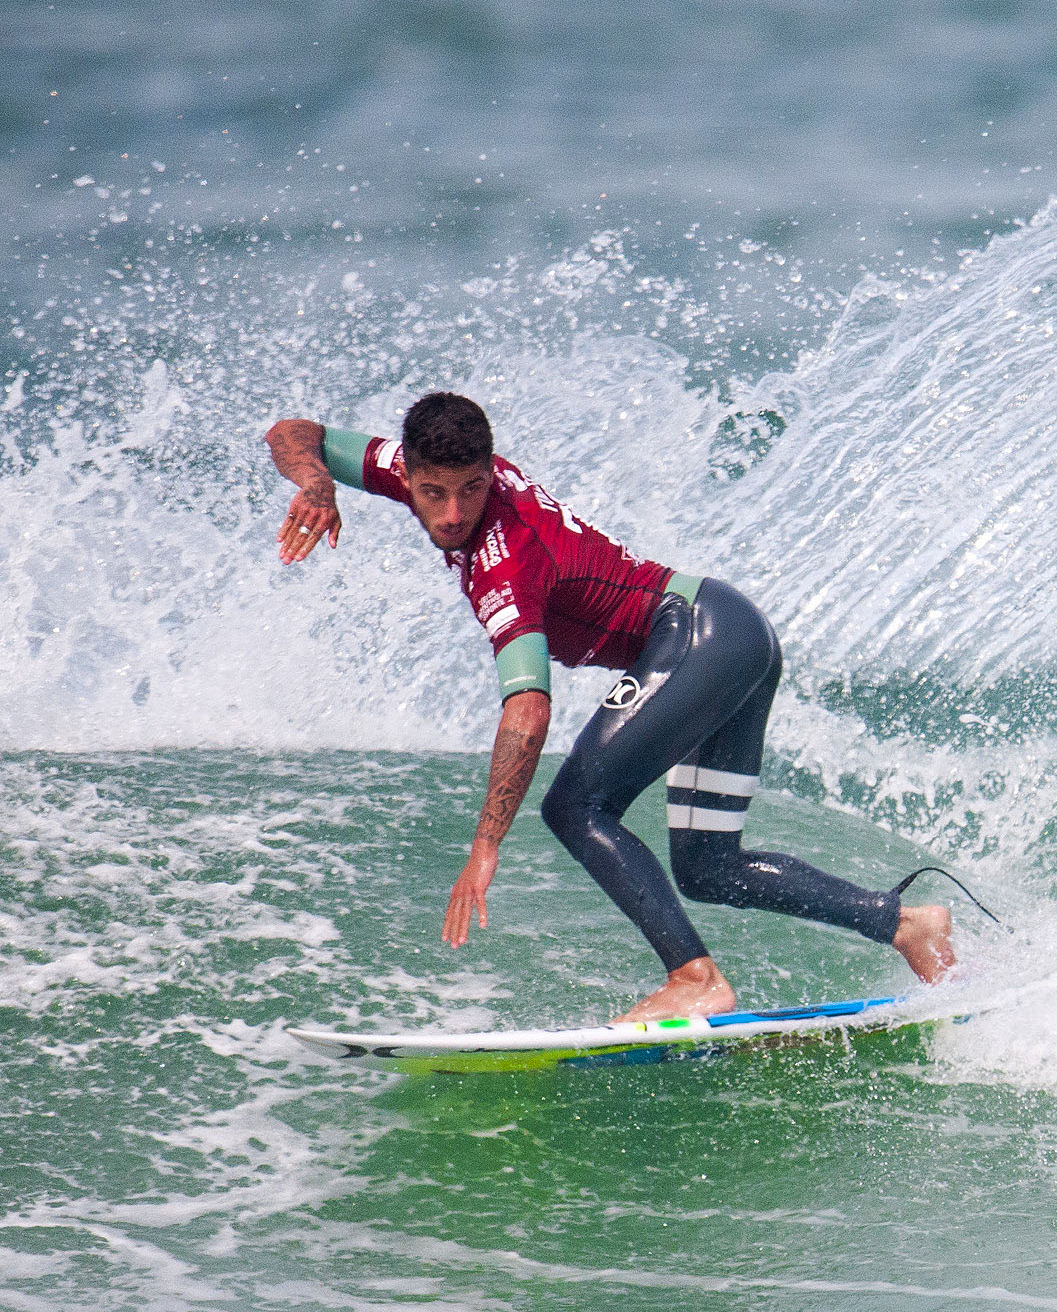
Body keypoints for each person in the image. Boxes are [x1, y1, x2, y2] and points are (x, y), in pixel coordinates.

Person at [265, 391, 953, 1020]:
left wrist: (484, 846)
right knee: (710, 869)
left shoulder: (504, 562)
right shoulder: (409, 469)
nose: (451, 513)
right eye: (432, 492)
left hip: (699, 637)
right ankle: (906, 924)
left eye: (471, 490)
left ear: (487, 474)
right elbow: (294, 433)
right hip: (729, 631)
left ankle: (694, 979)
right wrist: (320, 482)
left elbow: (529, 712)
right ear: (405, 474)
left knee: (574, 806)